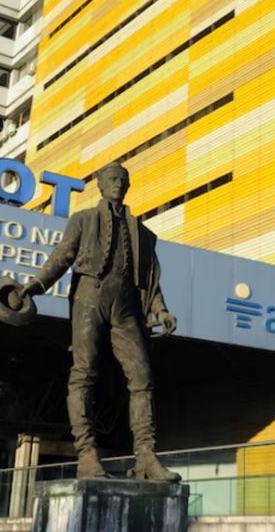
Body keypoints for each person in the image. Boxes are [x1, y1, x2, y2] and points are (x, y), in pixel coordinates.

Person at [19, 161, 179, 481]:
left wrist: (160, 310)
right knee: (84, 373)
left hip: (126, 304)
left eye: (123, 180)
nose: (118, 183)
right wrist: (35, 286)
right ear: (101, 185)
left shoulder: (141, 233)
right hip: (89, 296)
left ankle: (146, 456)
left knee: (142, 376)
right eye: (113, 179)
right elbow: (62, 256)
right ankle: (87, 454)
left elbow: (149, 279)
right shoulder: (83, 219)